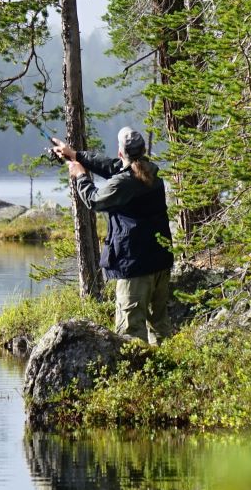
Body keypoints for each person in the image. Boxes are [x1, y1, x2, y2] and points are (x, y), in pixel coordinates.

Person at [51, 127, 174, 343]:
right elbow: (111, 167)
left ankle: (136, 376)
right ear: (143, 150)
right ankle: (167, 374)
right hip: (159, 263)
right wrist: (76, 155)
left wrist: (80, 175)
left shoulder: (124, 182)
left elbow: (94, 200)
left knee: (130, 334)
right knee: (160, 328)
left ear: (121, 152)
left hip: (135, 269)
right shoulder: (152, 171)